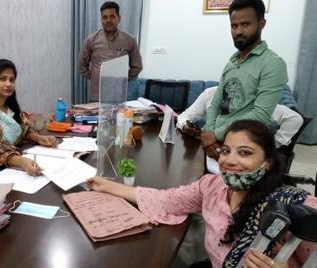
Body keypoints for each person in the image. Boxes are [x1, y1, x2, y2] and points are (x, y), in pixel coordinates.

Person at [87, 119, 317, 267]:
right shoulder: (212, 186)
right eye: (225, 151)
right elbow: (167, 199)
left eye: (245, 153)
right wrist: (107, 186)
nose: (230, 160)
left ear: (267, 163)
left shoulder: (292, 205)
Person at [202, 0, 288, 158]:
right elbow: (216, 103)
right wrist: (209, 132)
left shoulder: (273, 64)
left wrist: (216, 135)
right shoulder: (231, 63)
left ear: (262, 24)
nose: (238, 31)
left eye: (245, 24)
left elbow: (260, 115)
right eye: (234, 26)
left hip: (244, 150)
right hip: (215, 146)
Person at [0, 59, 57, 175]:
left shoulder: (11, 106)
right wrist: (21, 162)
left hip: (10, 165)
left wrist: (39, 138)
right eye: (2, 79)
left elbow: (25, 128)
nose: (8, 84)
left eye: (11, 80)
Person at [177, 86, 303, 148]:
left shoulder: (256, 101)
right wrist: (185, 125)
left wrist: (272, 145)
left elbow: (295, 119)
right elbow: (185, 116)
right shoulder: (210, 93)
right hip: (207, 146)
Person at [77, 1, 142, 101]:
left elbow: (137, 66)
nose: (108, 20)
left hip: (120, 97)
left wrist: (122, 77)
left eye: (112, 16)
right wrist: (96, 76)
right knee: (96, 117)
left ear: (118, 18)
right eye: (105, 17)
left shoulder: (130, 40)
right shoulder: (91, 40)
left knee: (120, 117)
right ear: (101, 19)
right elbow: (81, 66)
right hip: (96, 97)